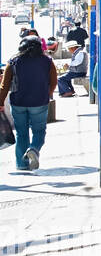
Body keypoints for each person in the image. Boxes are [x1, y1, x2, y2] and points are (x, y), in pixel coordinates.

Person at [0, 33, 56, 171]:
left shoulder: (13, 61)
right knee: (39, 132)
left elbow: (4, 85)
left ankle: (22, 165)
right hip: (39, 103)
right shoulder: (47, 61)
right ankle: (34, 149)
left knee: (21, 133)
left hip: (18, 103)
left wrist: (1, 102)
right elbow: (54, 82)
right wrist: (47, 94)